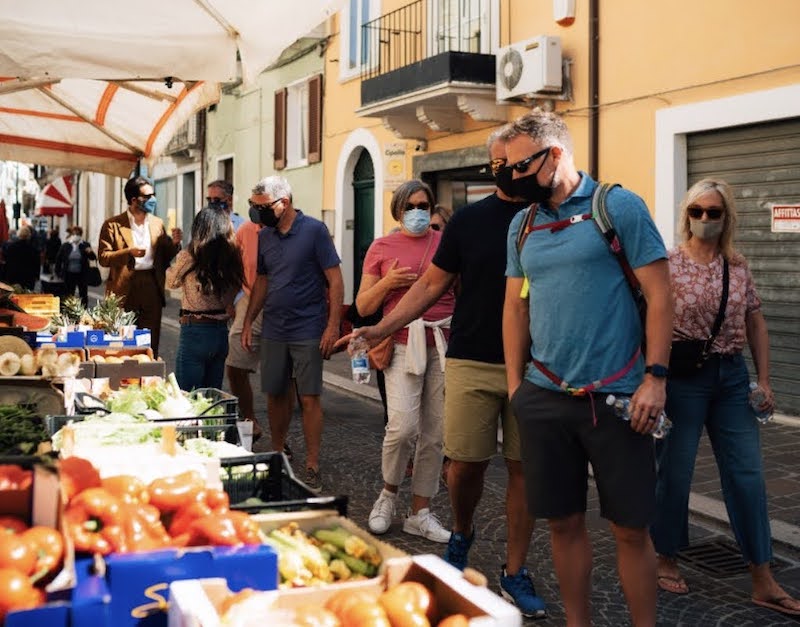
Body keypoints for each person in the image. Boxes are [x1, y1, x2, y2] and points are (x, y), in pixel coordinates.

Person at [337, 128, 547, 618]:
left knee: (522, 471)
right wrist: (377, 328)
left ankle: (514, 571)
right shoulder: (468, 223)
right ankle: (462, 529)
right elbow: (429, 287)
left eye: (515, 162)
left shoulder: (550, 218)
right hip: (471, 357)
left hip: (537, 366)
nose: (507, 170)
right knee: (463, 464)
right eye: (497, 162)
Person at [502, 110, 673, 626]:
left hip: (620, 397)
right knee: (562, 523)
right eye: (507, 167)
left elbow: (662, 296)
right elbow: (515, 307)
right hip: (544, 397)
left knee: (630, 529)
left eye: (521, 165)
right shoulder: (523, 222)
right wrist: (516, 388)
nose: (512, 176)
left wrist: (655, 378)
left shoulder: (617, 207)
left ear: (555, 155)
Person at [650, 178, 800, 617]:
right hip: (683, 378)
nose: (704, 220)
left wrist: (765, 381)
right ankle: (666, 555)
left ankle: (762, 576)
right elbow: (649, 319)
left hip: (731, 378)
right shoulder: (669, 263)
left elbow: (756, 322)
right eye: (697, 212)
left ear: (726, 217)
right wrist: (651, 378)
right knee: (673, 473)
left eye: (713, 213)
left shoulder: (737, 264)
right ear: (686, 216)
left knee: (747, 476)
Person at [355, 179, 455, 543]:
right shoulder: (382, 247)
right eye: (411, 206)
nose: (418, 212)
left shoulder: (445, 242)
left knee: (435, 435)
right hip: (399, 345)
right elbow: (364, 306)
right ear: (398, 210)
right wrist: (389, 282)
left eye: (424, 206)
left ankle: (420, 512)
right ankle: (387, 496)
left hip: (442, 345)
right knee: (401, 428)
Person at [241, 175, 343, 494]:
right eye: (253, 207)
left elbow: (336, 281)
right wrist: (248, 321)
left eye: (261, 207)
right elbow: (262, 281)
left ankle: (312, 464)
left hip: (308, 327)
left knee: (309, 396)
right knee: (274, 393)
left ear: (283, 203)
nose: (256, 214)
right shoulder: (266, 236)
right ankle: (278, 450)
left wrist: (332, 326)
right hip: (274, 327)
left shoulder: (314, 231)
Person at [97, 176, 182, 357]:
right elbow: (103, 258)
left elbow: (164, 255)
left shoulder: (157, 223)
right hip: (123, 285)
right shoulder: (113, 224)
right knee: (122, 337)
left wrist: (174, 244)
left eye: (154, 195)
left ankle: (149, 372)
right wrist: (129, 252)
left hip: (151, 283)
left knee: (150, 337)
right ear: (134, 200)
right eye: (148, 196)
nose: (153, 199)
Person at [166, 206, 244, 391]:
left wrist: (171, 265)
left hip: (195, 329)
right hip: (219, 332)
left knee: (188, 394)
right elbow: (237, 286)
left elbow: (171, 282)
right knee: (211, 395)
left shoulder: (190, 255)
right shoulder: (232, 255)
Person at [225, 207, 266, 441]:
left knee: (279, 379)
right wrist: (231, 301)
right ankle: (250, 418)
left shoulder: (297, 231)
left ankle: (281, 443)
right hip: (250, 301)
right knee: (235, 363)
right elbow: (235, 267)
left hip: (282, 305)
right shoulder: (246, 229)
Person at [55, 226, 96, 307]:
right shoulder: (66, 245)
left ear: (81, 235)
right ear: (71, 235)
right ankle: (69, 310)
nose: (76, 236)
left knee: (83, 294)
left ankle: (83, 310)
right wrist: (58, 272)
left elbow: (93, 258)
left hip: (82, 274)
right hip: (69, 274)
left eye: (78, 234)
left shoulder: (85, 245)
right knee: (69, 294)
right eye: (74, 234)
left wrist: (90, 252)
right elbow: (58, 259)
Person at [3, 226, 40, 290]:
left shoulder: (11, 248)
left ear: (18, 235)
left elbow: (7, 262)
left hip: (14, 277)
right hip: (29, 278)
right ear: (29, 236)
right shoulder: (33, 249)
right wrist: (37, 276)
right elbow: (37, 264)